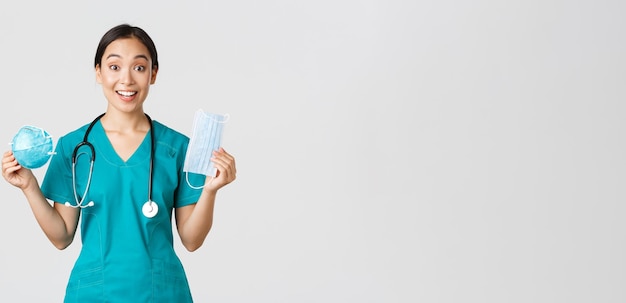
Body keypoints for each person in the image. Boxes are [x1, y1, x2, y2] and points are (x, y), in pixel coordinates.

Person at [1, 24, 236, 302]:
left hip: (160, 294)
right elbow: (62, 236)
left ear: (153, 74)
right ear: (98, 72)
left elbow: (192, 240)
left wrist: (210, 190)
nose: (126, 79)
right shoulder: (74, 148)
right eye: (114, 67)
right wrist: (29, 186)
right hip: (94, 293)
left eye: (139, 67)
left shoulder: (178, 147)